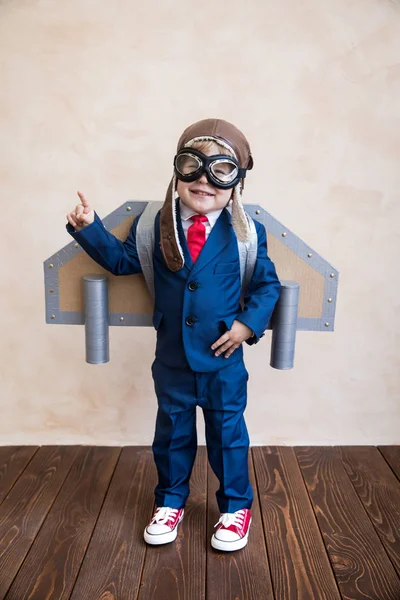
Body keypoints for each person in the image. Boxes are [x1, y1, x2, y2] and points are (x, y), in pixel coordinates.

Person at [66, 118, 281, 552]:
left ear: (236, 183)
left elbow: (266, 285)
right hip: (172, 360)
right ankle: (170, 500)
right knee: (172, 434)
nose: (204, 181)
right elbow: (123, 262)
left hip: (223, 361)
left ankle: (236, 507)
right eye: (193, 167)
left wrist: (246, 325)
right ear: (177, 173)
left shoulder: (246, 234)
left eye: (220, 172)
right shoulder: (153, 226)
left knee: (228, 436)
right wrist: (89, 227)